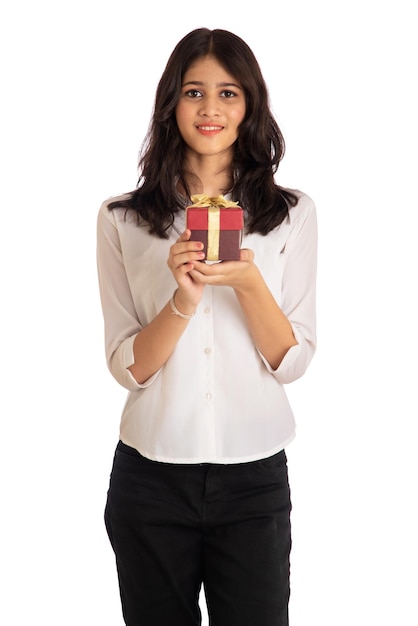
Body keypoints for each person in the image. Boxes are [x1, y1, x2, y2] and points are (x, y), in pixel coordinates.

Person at [96, 27, 317, 626]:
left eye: (228, 93)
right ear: (172, 104)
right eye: (194, 92)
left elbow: (291, 361)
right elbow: (128, 367)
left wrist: (247, 282)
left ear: (250, 106)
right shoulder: (123, 219)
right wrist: (182, 301)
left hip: (254, 480)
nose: (211, 109)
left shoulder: (290, 215)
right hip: (150, 480)